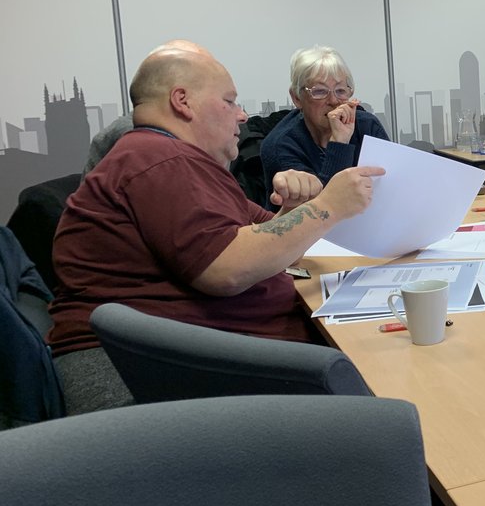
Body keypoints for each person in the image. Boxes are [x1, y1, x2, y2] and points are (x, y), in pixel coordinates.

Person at [47, 40, 384, 413]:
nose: (242, 116)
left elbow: (261, 236)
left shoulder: (184, 163)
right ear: (182, 101)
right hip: (157, 375)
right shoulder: (157, 161)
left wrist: (294, 211)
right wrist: (327, 206)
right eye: (229, 101)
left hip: (200, 353)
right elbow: (227, 269)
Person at [260, 45, 390, 196]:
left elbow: (393, 185)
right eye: (320, 91)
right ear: (297, 98)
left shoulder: (367, 126)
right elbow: (321, 212)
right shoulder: (280, 145)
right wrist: (339, 142)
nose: (334, 101)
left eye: (341, 91)